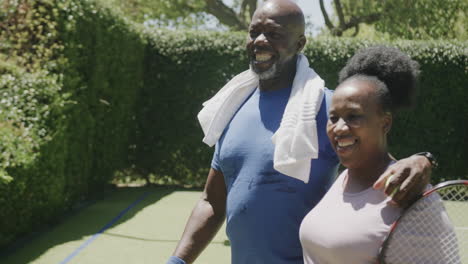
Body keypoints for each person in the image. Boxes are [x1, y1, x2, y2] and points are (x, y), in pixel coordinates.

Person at [167, 1, 434, 263]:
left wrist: (421, 159)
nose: (259, 40)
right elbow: (212, 203)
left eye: (274, 34)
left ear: (299, 44)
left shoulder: (325, 108)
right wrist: (178, 261)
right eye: (254, 32)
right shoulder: (232, 108)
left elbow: (380, 167)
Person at [298, 46, 435, 263]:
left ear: (385, 122)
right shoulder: (342, 179)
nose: (340, 128)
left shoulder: (411, 193)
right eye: (333, 118)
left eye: (354, 116)